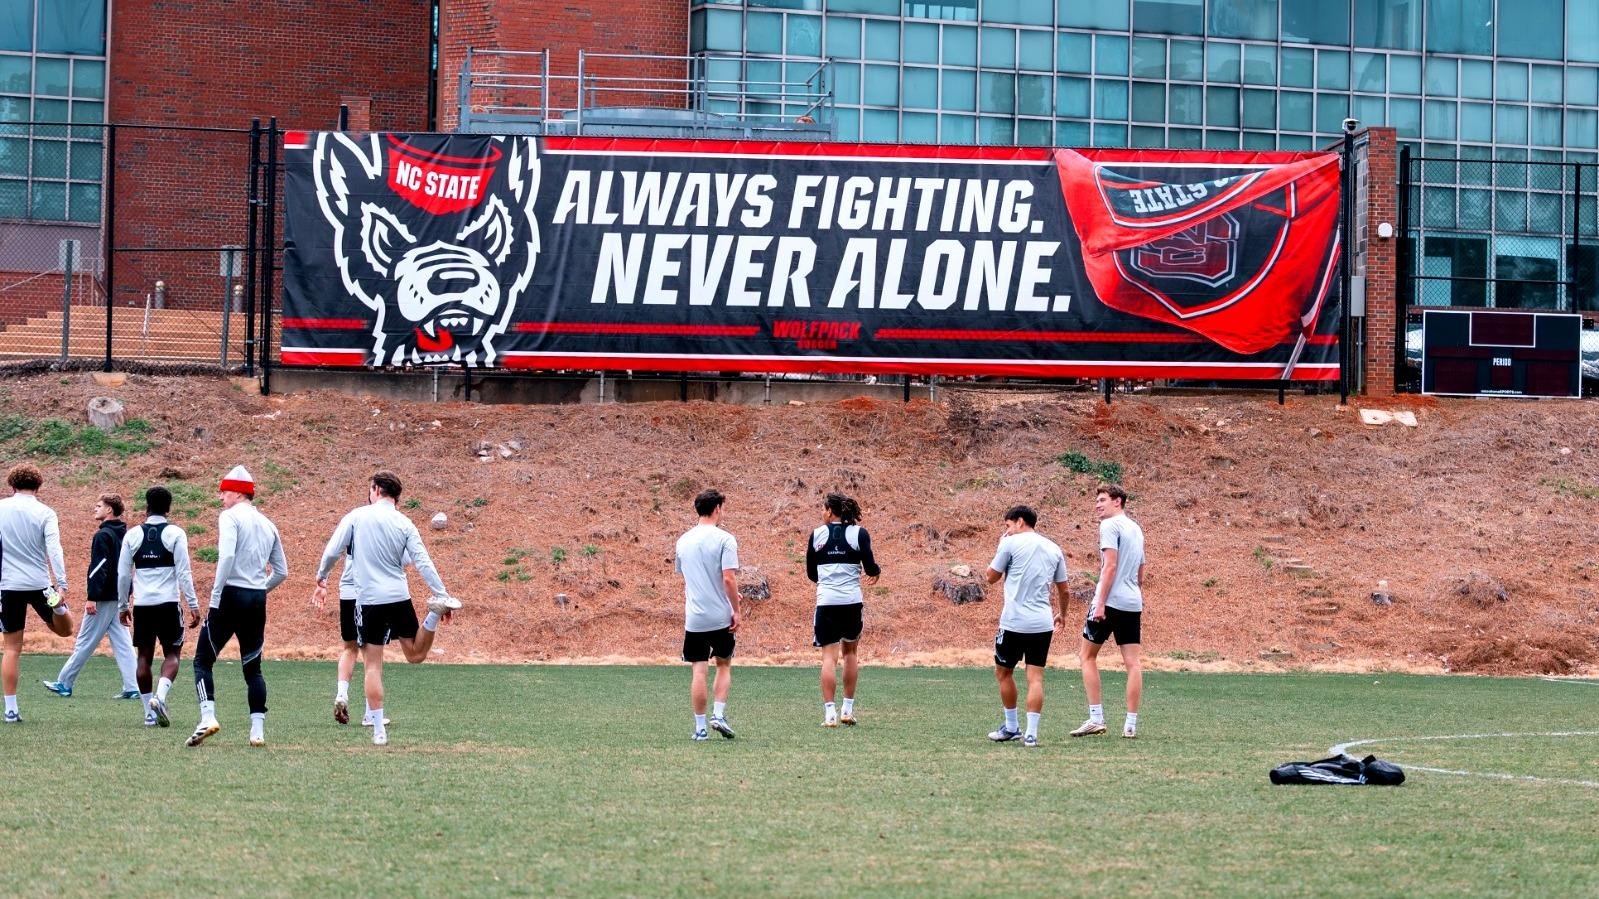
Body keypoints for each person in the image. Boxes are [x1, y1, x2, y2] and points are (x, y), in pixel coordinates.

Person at [314, 471, 460, 747]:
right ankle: (433, 612)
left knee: (372, 664)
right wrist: (441, 594)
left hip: (369, 601)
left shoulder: (357, 516)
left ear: (377, 490)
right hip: (398, 596)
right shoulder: (405, 522)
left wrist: (322, 576)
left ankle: (379, 730)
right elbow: (422, 562)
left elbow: (333, 550)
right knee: (415, 654)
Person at [187, 465, 287, 748]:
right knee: (253, 668)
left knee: (202, 659)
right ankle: (257, 731)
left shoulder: (229, 517)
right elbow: (282, 571)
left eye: (224, 492)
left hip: (230, 595)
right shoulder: (268, 524)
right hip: (256, 599)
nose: (221, 497)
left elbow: (227, 556)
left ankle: (207, 717)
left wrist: (215, 594)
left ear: (238, 493)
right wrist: (260, 588)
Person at [115, 486, 201, 728]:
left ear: (147, 507)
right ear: (168, 508)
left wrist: (123, 605)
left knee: (143, 657)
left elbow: (123, 575)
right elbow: (184, 573)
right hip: (168, 604)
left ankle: (148, 713)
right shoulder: (175, 534)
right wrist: (193, 604)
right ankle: (160, 698)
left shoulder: (132, 535)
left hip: (143, 605)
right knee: (172, 654)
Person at [984, 504, 1067, 748]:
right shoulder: (1054, 548)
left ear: (1020, 521)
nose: (1007, 531)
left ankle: (1011, 727)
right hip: (1042, 623)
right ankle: (1031, 734)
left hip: (1013, 622)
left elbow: (990, 577)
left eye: (1008, 525)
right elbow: (1064, 590)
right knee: (1035, 678)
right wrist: (1062, 615)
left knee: (1003, 673)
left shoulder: (1009, 543)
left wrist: (1001, 545)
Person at [42, 493, 139, 700]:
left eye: (98, 506)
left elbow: (98, 569)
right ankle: (134, 686)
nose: (95, 509)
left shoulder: (103, 535)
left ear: (109, 509)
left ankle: (64, 683)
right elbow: (127, 568)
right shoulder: (126, 534)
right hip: (118, 596)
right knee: (123, 642)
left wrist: (92, 597)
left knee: (85, 640)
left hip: (103, 597)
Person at [0, 464, 75, 723]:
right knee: (66, 630)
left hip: (8, 585)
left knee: (12, 648)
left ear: (12, 485)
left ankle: (11, 710)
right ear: (38, 486)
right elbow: (55, 548)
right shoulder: (45, 512)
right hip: (39, 583)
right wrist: (62, 585)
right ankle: (58, 606)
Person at [1071, 484, 1146, 740]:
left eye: (1102, 500)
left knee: (1086, 656)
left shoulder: (1109, 526)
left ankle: (1096, 719)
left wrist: (1100, 602)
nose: (1097, 505)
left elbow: (1110, 566)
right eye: (1097, 500)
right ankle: (1130, 725)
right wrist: (1132, 592)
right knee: (1133, 663)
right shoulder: (1136, 528)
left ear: (1118, 502)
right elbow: (1141, 572)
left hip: (1110, 601)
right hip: (1132, 602)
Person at [805, 492, 879, 727]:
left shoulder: (817, 534)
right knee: (850, 654)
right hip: (851, 602)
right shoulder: (859, 533)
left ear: (829, 511)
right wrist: (876, 572)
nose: (822, 512)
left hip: (826, 602)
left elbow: (811, 573)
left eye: (823, 508)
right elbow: (870, 567)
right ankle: (847, 710)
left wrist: (828, 580)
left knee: (829, 657)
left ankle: (830, 715)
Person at [674, 489, 741, 742]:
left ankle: (700, 729)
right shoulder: (725, 539)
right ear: (717, 509)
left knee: (699, 671)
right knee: (723, 664)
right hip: (720, 616)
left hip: (695, 618)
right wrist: (736, 609)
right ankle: (719, 715)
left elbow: (690, 577)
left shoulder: (683, 541)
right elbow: (728, 578)